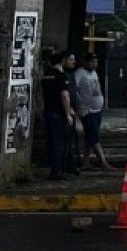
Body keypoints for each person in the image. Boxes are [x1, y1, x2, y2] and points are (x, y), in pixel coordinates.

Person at [41, 50, 76, 181]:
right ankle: (58, 170)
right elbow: (64, 96)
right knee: (59, 143)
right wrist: (68, 114)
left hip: (48, 111)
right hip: (58, 113)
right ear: (61, 61)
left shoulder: (46, 76)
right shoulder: (62, 76)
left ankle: (53, 169)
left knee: (51, 142)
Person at [70, 51, 107, 171]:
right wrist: (80, 104)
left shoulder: (94, 73)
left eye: (96, 62)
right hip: (87, 110)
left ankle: (86, 161)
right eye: (92, 62)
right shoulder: (80, 73)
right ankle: (103, 161)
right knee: (94, 135)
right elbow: (74, 90)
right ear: (86, 62)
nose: (94, 64)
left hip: (97, 109)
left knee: (90, 137)